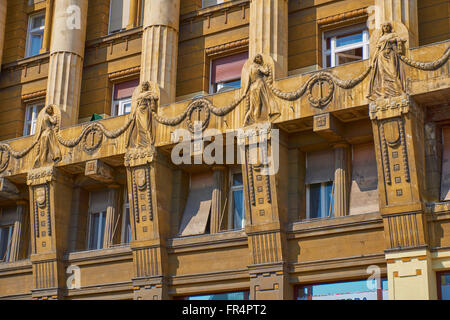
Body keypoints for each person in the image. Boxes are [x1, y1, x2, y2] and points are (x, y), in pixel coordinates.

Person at [368, 22, 407, 100]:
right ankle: (384, 93)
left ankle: (398, 91)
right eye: (384, 26)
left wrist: (392, 41)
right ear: (382, 28)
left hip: (391, 54)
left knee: (393, 73)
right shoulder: (381, 38)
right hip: (381, 56)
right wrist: (373, 61)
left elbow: (400, 40)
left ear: (390, 27)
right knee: (383, 76)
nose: (385, 27)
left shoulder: (393, 35)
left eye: (387, 26)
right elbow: (377, 50)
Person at [243, 54, 281, 125]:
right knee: (258, 105)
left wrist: (245, 91)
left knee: (251, 107)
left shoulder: (250, 68)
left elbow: (248, 80)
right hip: (259, 85)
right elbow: (266, 72)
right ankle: (256, 121)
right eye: (259, 58)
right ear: (256, 58)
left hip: (252, 87)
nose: (261, 59)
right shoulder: (258, 66)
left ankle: (245, 121)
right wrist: (266, 67)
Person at [126, 81, 158, 149]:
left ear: (147, 86)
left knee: (146, 126)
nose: (144, 86)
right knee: (139, 128)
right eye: (143, 85)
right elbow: (136, 105)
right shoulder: (140, 94)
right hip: (139, 111)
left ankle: (149, 142)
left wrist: (149, 97)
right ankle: (141, 143)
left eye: (145, 85)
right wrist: (133, 113)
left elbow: (156, 97)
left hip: (145, 110)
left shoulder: (149, 93)